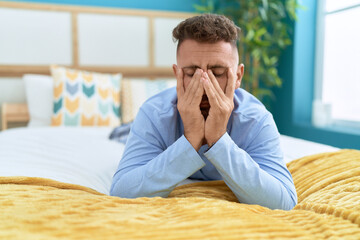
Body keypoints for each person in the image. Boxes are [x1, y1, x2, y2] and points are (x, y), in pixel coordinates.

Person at [110, 14, 297, 210]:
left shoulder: (256, 119)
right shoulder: (154, 113)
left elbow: (283, 202)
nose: (206, 86)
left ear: (238, 76)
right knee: (123, 133)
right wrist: (191, 139)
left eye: (217, 73)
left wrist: (218, 139)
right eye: (192, 73)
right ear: (177, 75)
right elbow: (122, 192)